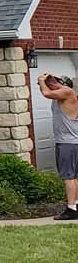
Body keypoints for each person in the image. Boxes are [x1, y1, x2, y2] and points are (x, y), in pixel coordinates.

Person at [37, 72, 78, 220]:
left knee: (68, 176)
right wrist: (48, 79)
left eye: (54, 83)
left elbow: (46, 93)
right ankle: (75, 205)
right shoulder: (60, 96)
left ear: (63, 84)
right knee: (72, 176)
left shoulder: (67, 92)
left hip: (68, 143)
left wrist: (42, 81)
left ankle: (71, 209)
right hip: (68, 142)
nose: (51, 84)